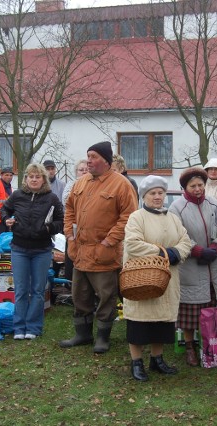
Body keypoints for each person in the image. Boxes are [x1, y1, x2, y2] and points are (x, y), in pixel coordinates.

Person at [60, 141, 137, 354]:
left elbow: (128, 217)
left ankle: (103, 337)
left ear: (106, 160)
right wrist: (70, 237)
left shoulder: (121, 184)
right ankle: (82, 334)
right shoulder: (80, 183)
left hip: (104, 254)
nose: (88, 161)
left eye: (93, 157)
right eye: (88, 156)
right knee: (80, 295)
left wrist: (108, 242)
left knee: (106, 296)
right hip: (80, 252)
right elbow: (69, 210)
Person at [123, 175, 192, 381]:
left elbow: (186, 241)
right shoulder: (137, 217)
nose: (157, 197)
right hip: (141, 279)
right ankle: (137, 362)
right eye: (153, 193)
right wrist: (163, 253)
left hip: (167, 280)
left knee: (162, 321)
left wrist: (176, 253)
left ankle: (157, 359)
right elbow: (133, 244)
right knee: (139, 322)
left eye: (160, 193)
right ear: (145, 196)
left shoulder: (173, 218)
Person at [168, 167, 217, 366]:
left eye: (200, 185)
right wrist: (197, 251)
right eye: (193, 186)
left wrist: (216, 248)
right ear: (185, 188)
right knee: (190, 313)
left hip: (215, 265)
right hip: (192, 268)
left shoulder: (213, 204)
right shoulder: (177, 208)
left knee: (215, 311)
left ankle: (212, 346)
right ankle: (190, 347)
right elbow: (178, 236)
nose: (197, 189)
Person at [1, 163, 63, 340]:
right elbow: (4, 209)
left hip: (42, 250)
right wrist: (7, 219)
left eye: (38, 176)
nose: (34, 179)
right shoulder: (18, 195)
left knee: (37, 290)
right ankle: (19, 327)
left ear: (43, 179)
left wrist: (49, 227)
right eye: (31, 176)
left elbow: (61, 221)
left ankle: (34, 327)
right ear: (26, 178)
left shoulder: (51, 198)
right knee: (21, 289)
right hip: (19, 248)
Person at [61, 159, 88, 282]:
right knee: (73, 255)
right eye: (81, 170)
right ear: (76, 172)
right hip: (73, 227)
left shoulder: (95, 184)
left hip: (89, 227)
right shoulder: (71, 184)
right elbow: (67, 200)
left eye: (86, 169)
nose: (84, 172)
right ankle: (71, 284)